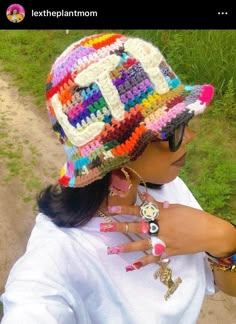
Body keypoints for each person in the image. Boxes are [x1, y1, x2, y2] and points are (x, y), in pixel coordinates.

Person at [1, 33, 236, 323]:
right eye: (171, 130)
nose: (190, 136)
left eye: (185, 121)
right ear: (118, 156)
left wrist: (224, 237)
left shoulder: (167, 188)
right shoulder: (56, 261)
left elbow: (229, 286)